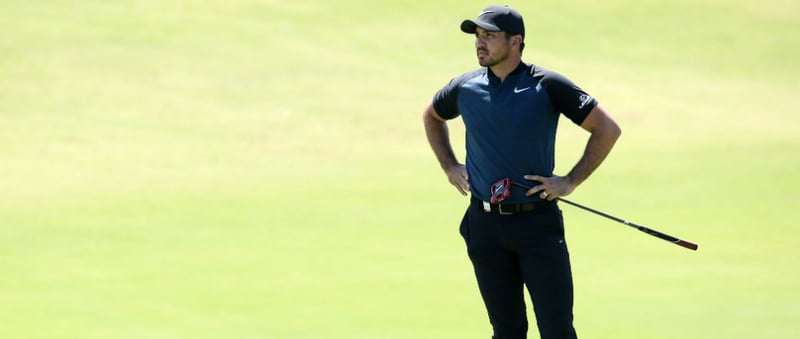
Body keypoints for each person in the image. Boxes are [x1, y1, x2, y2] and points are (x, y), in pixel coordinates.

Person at [422, 4, 622, 339]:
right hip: (484, 225)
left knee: (557, 330)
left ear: (516, 41)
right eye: (477, 36)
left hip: (537, 226)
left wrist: (570, 181)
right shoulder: (465, 87)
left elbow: (607, 128)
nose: (480, 43)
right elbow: (432, 116)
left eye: (489, 36)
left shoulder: (547, 85)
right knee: (506, 330)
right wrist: (449, 166)